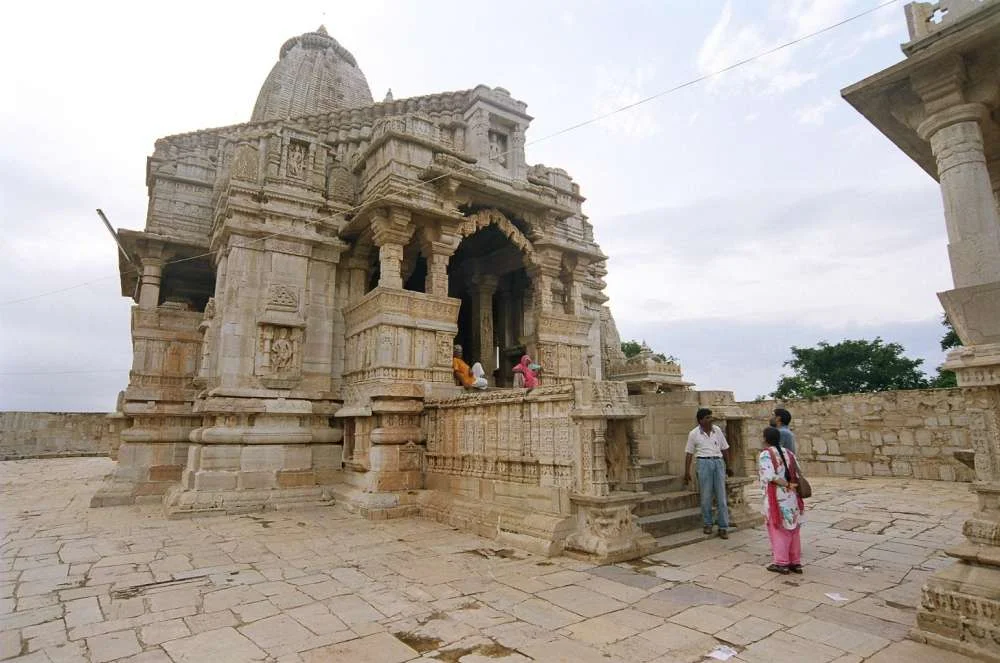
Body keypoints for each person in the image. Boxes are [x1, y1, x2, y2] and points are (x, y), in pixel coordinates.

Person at [758, 426, 805, 574]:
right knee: (793, 529)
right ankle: (795, 561)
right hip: (792, 497)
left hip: (776, 497)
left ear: (765, 439)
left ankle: (781, 562)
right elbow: (798, 471)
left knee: (778, 529)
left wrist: (785, 484)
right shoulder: (789, 453)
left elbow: (770, 476)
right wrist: (791, 485)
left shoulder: (766, 454)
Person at [684, 408, 734, 539]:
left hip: (718, 462)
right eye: (707, 417)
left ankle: (723, 527)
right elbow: (689, 453)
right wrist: (686, 472)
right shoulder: (693, 434)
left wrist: (728, 466)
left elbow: (725, 448)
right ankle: (708, 523)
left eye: (710, 417)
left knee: (721, 497)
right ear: (700, 420)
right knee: (706, 496)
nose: (710, 419)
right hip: (703, 463)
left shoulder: (717, 430)